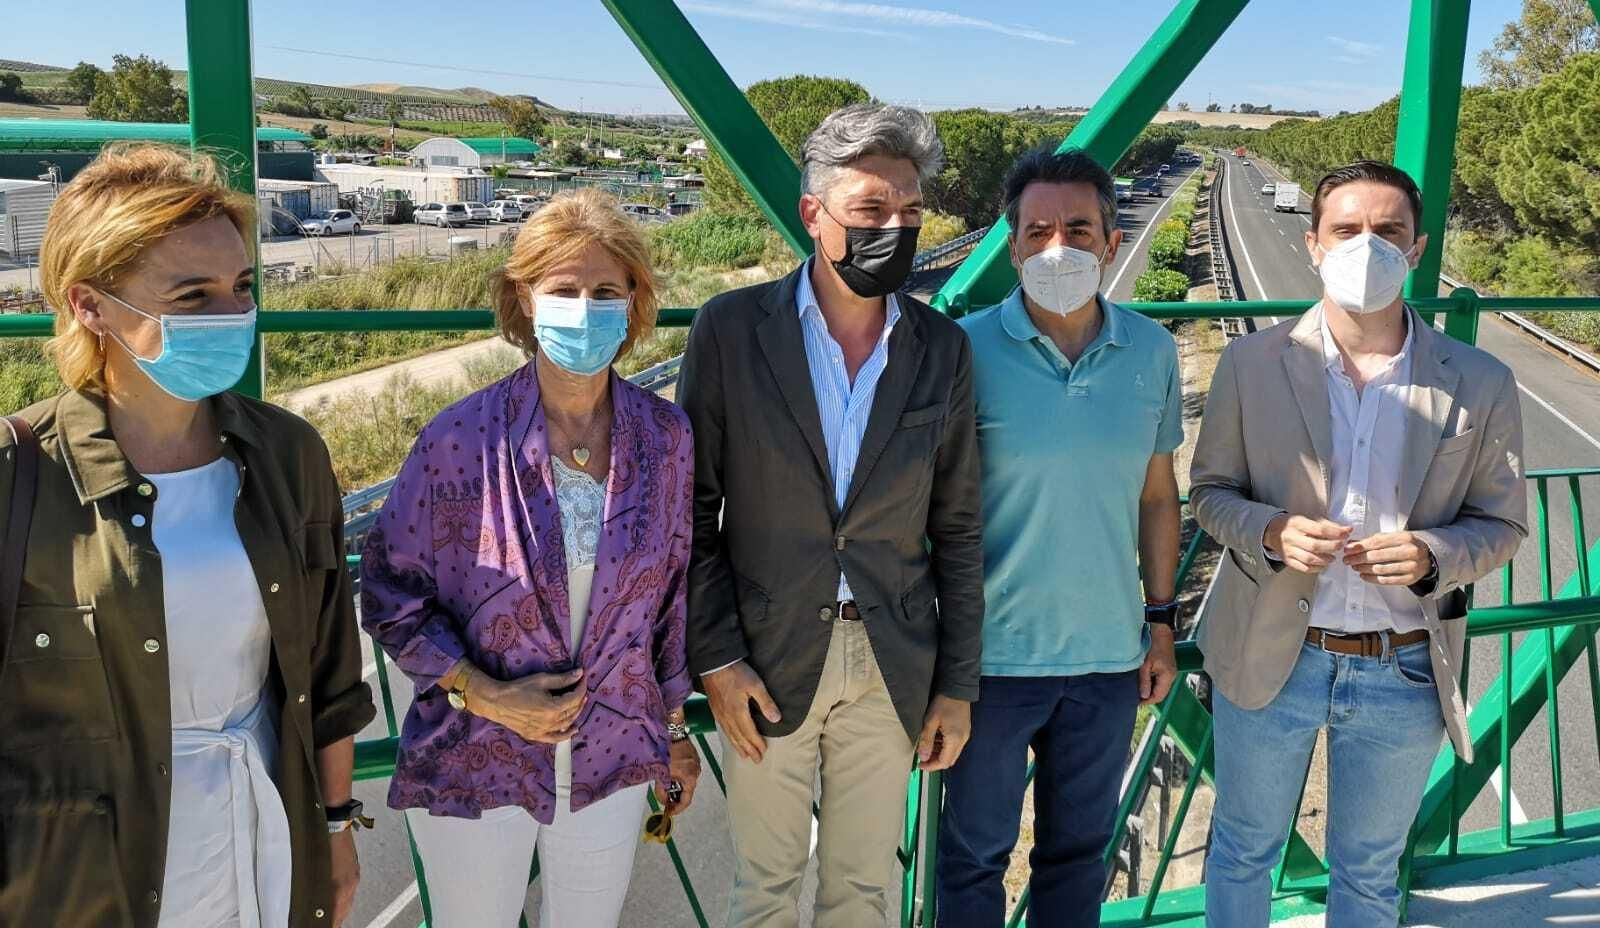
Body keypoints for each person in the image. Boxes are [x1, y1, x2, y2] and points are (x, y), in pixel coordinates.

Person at [0, 144, 375, 928]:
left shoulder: (286, 455)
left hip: (267, 840)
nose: (232, 316)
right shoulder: (19, 472)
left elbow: (332, 671)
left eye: (240, 288)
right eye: (193, 295)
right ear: (90, 306)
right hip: (86, 881)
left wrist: (337, 831)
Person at [1191, 160, 1527, 927]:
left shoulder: (1479, 379)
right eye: (1346, 230)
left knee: (1370, 871)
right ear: (1312, 243)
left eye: (1388, 232)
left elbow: (1503, 523)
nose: (1365, 246)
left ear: (1416, 248)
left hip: (1402, 667)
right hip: (1274, 655)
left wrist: (1435, 555)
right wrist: (1271, 531)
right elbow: (1209, 494)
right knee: (1243, 849)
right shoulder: (1250, 363)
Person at [679, 102, 985, 928]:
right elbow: (691, 512)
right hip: (767, 659)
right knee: (765, 890)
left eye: (911, 212)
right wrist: (714, 658)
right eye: (870, 211)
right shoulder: (731, 332)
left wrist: (956, 685)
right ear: (814, 215)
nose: (896, 228)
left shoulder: (940, 348)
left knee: (864, 894)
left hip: (892, 663)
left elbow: (957, 528)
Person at [360, 188, 698, 927]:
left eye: (606, 290)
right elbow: (389, 591)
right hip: (479, 745)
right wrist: (479, 689)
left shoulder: (667, 438)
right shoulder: (458, 441)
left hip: (612, 751)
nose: (585, 307)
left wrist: (672, 731)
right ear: (523, 299)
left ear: (635, 300)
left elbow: (672, 598)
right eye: (563, 289)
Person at [937, 146, 1183, 926]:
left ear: (1113, 243)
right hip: (991, 662)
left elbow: (1156, 497)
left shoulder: (1152, 350)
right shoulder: (961, 351)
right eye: (1038, 230)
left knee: (1080, 852)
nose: (1058, 248)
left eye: (1079, 229)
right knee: (973, 855)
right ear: (1011, 246)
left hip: (1110, 661)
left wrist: (1161, 621)